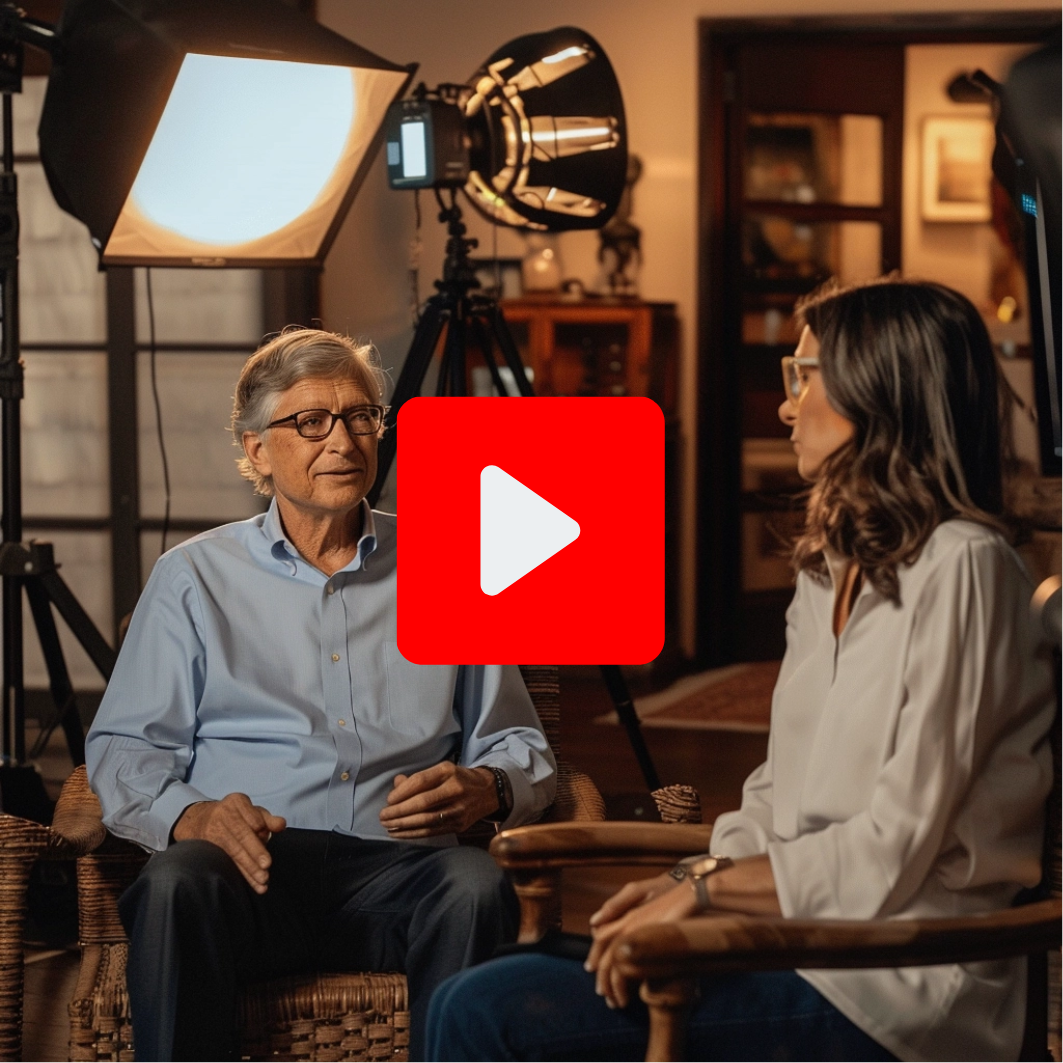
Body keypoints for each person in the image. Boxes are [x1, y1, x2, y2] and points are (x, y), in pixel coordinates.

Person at [425, 279, 1055, 1062]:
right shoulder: (829, 568)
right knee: (467, 993)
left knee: (487, 1011)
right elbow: (774, 792)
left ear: (880, 390)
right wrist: (690, 875)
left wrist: (706, 892)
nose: (786, 406)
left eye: (804, 376)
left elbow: (893, 850)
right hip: (787, 939)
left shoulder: (964, 567)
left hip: (895, 983)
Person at [85, 327, 557, 1062]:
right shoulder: (192, 577)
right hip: (249, 869)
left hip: (401, 870)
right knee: (176, 882)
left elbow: (518, 743)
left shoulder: (449, 563)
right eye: (311, 421)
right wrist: (194, 814)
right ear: (256, 450)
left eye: (361, 416)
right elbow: (123, 747)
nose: (343, 440)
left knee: (474, 884)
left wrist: (489, 786)